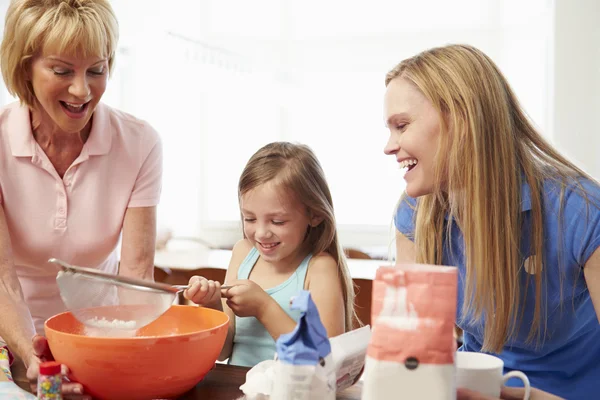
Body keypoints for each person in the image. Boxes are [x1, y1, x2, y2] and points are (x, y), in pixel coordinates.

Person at [384, 44, 600, 399]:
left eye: (402, 125)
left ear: (461, 119)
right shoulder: (416, 215)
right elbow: (418, 355)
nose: (389, 146)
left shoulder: (583, 211)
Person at [0, 0, 162, 395]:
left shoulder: (139, 143)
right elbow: (3, 280)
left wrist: (124, 355)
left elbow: (136, 274)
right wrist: (31, 354)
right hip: (8, 335)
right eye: (61, 70)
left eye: (96, 70)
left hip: (98, 332)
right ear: (25, 68)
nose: (81, 90)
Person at [185, 142, 355, 367]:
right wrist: (211, 304)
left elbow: (326, 362)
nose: (262, 233)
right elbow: (223, 351)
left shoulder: (319, 268)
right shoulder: (243, 252)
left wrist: (264, 308)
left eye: (277, 221)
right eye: (250, 219)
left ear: (314, 216)